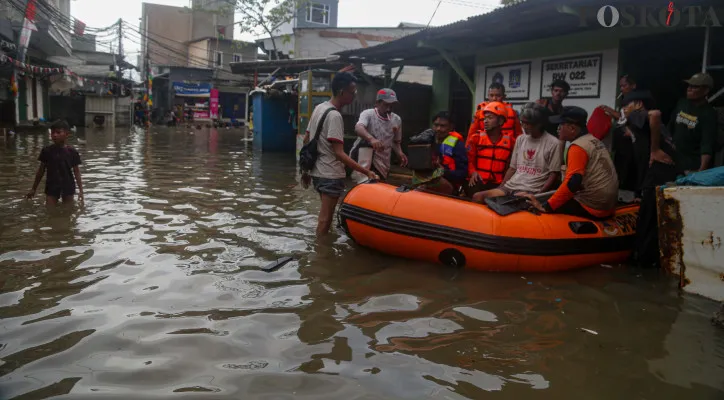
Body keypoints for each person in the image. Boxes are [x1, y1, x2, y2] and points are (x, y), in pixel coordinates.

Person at [302, 72, 379, 237]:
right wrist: (366, 171)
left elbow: (307, 139)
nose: (354, 95)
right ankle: (320, 256)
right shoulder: (335, 116)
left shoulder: (319, 108)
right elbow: (339, 153)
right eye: (353, 92)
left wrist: (306, 171)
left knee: (325, 218)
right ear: (342, 92)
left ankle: (322, 249)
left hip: (317, 173)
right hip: (330, 174)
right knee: (325, 220)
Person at [521, 106, 619, 219]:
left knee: (535, 209)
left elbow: (573, 182)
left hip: (593, 206)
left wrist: (547, 206)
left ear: (572, 128)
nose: (558, 129)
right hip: (608, 203)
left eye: (561, 125)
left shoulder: (577, 147)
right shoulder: (593, 140)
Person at [620, 90, 678, 268]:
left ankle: (644, 261)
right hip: (657, 174)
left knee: (649, 218)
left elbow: (655, 114)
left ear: (637, 104)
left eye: (626, 105)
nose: (624, 109)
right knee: (651, 216)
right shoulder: (636, 123)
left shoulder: (639, 114)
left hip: (659, 172)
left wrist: (654, 149)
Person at [472, 103, 561, 202]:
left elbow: (553, 174)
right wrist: (501, 188)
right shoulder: (520, 139)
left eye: (527, 123)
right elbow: (512, 168)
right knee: (478, 197)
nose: (524, 126)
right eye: (522, 122)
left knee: (510, 203)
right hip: (511, 186)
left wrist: (538, 195)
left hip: (531, 190)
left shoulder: (553, 143)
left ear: (539, 124)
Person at [350, 88, 408, 182]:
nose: (389, 108)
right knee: (365, 185)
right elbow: (358, 128)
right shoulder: (368, 114)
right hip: (365, 159)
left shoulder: (396, 119)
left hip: (383, 161)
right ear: (377, 103)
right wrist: (371, 139)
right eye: (386, 105)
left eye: (391, 105)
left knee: (379, 187)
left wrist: (400, 153)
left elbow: (395, 142)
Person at [667, 72, 719, 174]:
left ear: (705, 90)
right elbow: (671, 125)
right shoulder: (682, 103)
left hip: (691, 166)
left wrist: (701, 171)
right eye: (689, 85)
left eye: (694, 87)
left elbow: (707, 145)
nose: (689, 88)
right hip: (673, 160)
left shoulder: (708, 114)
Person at [26, 120, 84, 206]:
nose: (54, 135)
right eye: (52, 132)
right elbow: (40, 171)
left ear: (67, 134)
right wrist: (33, 189)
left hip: (68, 185)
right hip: (51, 186)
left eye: (58, 132)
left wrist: (81, 191)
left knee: (68, 212)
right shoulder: (47, 151)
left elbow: (76, 172)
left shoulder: (72, 152)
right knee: (50, 211)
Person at [409, 111, 468, 195]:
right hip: (425, 181)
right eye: (436, 125)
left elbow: (462, 173)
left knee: (431, 181)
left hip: (449, 184)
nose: (438, 129)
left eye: (443, 126)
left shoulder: (457, 145)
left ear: (451, 127)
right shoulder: (427, 141)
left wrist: (443, 171)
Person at [466, 101, 515, 197]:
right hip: (478, 181)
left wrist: (504, 184)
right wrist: (473, 172)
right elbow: (469, 159)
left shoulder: (511, 142)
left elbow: (512, 166)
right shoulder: (476, 138)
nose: (485, 121)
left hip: (499, 184)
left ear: (501, 121)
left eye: (490, 118)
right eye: (485, 118)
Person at [601, 74, 639, 192]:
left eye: (624, 85)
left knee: (627, 170)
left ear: (633, 86)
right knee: (619, 167)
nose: (622, 89)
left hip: (630, 144)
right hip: (621, 143)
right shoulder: (624, 100)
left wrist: (610, 111)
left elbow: (624, 119)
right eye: (620, 86)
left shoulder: (635, 101)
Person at [467, 82, 523, 147]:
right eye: (491, 95)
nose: (494, 98)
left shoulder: (512, 113)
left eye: (498, 95)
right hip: (484, 149)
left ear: (504, 96)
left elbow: (519, 135)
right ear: (488, 96)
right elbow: (471, 135)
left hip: (506, 149)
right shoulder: (480, 113)